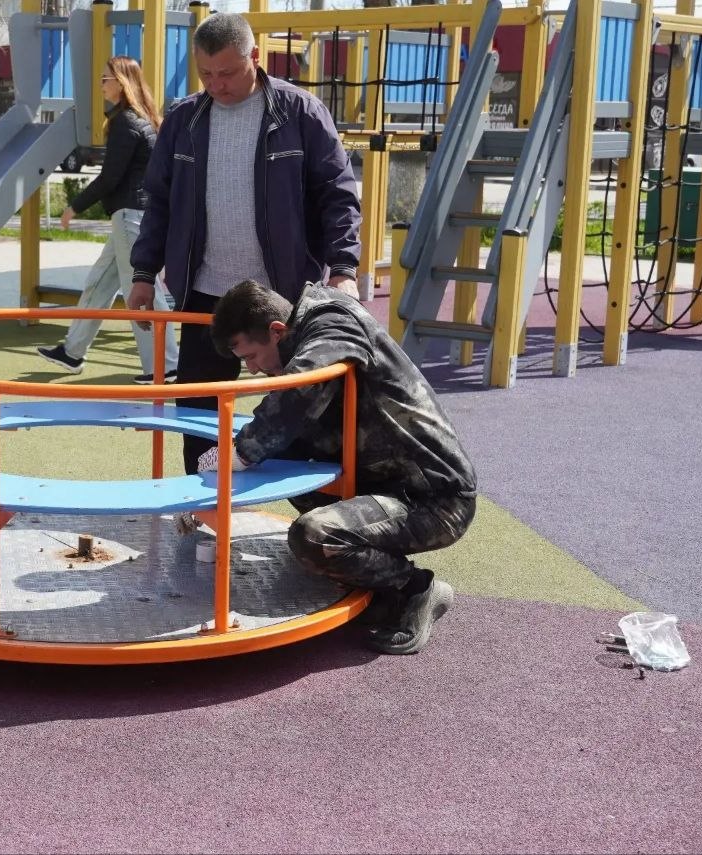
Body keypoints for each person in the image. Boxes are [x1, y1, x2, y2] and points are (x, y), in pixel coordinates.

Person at [127, 13, 362, 468]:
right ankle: (202, 497)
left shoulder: (300, 112)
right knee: (197, 413)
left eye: (228, 72)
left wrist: (343, 268)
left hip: (282, 295)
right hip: (204, 293)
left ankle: (311, 506)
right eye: (206, 74)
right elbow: (159, 201)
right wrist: (143, 272)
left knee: (302, 414)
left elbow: (338, 194)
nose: (217, 84)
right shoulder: (183, 119)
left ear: (254, 56)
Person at [197, 279, 477, 655]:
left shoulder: (332, 325)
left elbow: (296, 395)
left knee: (313, 537)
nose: (253, 369)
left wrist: (236, 455)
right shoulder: (311, 326)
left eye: (252, 356)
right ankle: (366, 576)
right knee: (287, 468)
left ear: (277, 331)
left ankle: (414, 589)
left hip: (433, 497)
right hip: (382, 477)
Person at [37, 56, 179, 385]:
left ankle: (165, 366)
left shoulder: (126, 123)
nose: (101, 84)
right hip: (130, 217)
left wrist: (74, 207)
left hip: (130, 216)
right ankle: (72, 351)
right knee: (99, 282)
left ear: (122, 82)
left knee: (142, 290)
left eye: (106, 79)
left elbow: (109, 178)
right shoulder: (140, 119)